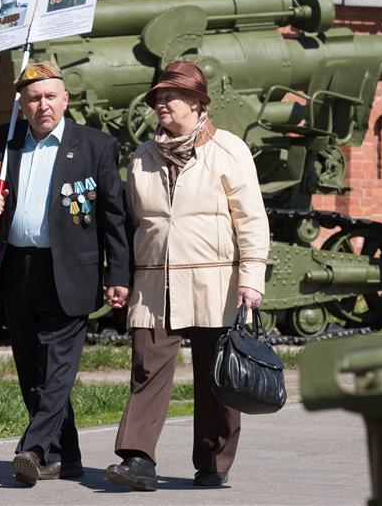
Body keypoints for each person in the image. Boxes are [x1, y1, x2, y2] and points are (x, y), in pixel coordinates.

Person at [105, 60, 270, 491]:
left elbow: (251, 219)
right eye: (157, 97)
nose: (161, 104)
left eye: (170, 96)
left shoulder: (230, 150)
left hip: (215, 283)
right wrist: (121, 276)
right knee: (147, 369)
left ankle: (213, 462)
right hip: (153, 284)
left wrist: (251, 278)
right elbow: (130, 225)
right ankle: (138, 459)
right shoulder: (142, 157)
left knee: (215, 377)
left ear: (198, 104)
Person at [0, 61, 131, 486]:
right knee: (32, 371)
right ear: (22, 105)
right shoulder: (4, 142)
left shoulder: (95, 146)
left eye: (49, 97)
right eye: (33, 98)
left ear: (66, 100)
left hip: (69, 272)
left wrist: (119, 275)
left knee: (58, 368)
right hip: (17, 269)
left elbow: (114, 218)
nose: (42, 105)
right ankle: (66, 457)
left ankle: (33, 448)